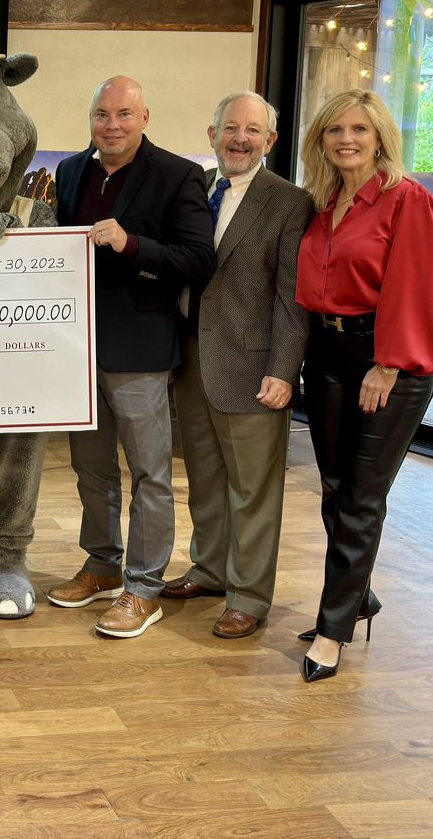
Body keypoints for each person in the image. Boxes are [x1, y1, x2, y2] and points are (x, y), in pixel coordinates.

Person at [46, 75, 216, 638]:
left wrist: (130, 244)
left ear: (145, 117)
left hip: (140, 351)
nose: (111, 125)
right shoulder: (71, 172)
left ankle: (144, 587)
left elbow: (197, 260)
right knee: (91, 469)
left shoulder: (177, 174)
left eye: (123, 114)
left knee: (149, 473)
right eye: (101, 114)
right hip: (77, 348)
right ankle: (102, 564)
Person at [294, 89, 433, 682]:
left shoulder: (409, 202)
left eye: (359, 128)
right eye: (334, 130)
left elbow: (412, 288)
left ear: (380, 136)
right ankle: (360, 596)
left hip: (387, 359)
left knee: (361, 495)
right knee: (333, 486)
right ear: (322, 141)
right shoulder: (323, 202)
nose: (346, 139)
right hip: (325, 352)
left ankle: (333, 629)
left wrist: (387, 364)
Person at [163, 92, 314, 638]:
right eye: (231, 128)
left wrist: (283, 369)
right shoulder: (200, 188)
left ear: (270, 141)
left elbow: (291, 297)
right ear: (212, 134)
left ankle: (249, 595)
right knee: (204, 477)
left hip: (254, 368)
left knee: (253, 487)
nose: (240, 139)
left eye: (253, 131)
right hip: (192, 356)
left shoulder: (291, 202)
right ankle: (209, 568)